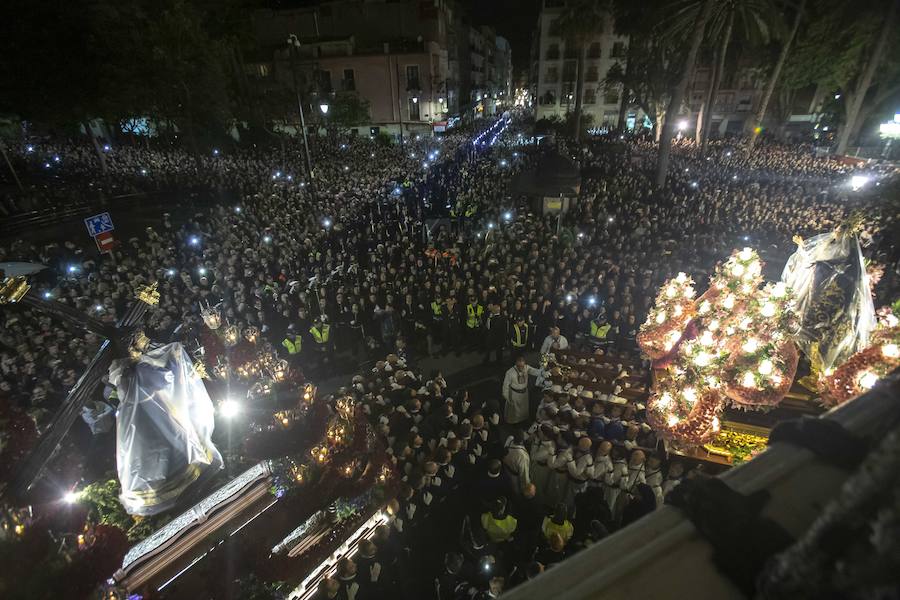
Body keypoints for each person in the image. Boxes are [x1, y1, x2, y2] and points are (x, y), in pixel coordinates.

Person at [501, 356, 540, 426]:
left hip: (524, 393)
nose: (521, 368)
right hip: (514, 395)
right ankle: (514, 425)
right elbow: (505, 386)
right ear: (516, 364)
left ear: (524, 364)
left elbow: (535, 371)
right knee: (514, 413)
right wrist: (507, 397)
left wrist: (543, 372)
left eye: (522, 366)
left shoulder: (526, 368)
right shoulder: (510, 372)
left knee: (523, 410)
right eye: (519, 366)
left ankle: (523, 421)